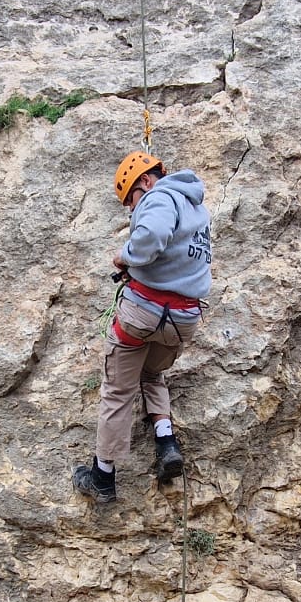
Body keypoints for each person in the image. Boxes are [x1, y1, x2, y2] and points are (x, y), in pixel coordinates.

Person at [73, 151, 213, 504]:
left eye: (131, 200)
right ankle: (165, 441)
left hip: (143, 314)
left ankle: (102, 477)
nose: (133, 210)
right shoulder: (197, 210)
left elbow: (151, 236)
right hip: (182, 321)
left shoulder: (160, 196)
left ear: (145, 182)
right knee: (151, 375)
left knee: (118, 390)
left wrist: (125, 257)